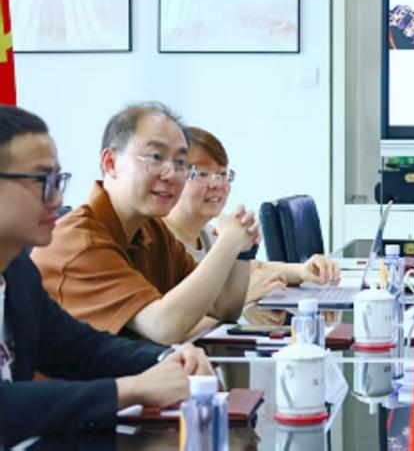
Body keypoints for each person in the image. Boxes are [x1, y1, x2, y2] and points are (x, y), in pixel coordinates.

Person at [0, 105, 214, 446]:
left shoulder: (18, 273)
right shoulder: (78, 240)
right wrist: (130, 389)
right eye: (41, 181)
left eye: (58, 181)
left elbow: (80, 349)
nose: (57, 198)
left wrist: (165, 359)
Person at [32, 103, 257, 345]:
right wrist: (228, 241)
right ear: (110, 163)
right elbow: (165, 327)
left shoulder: (152, 229)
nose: (170, 174)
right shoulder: (79, 241)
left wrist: (241, 251)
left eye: (181, 162)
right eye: (155, 157)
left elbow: (223, 308)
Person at [163, 126, 340, 304]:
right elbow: (173, 316)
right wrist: (241, 298)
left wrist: (302, 270)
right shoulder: (159, 242)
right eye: (202, 174)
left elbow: (256, 266)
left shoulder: (207, 234)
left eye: (222, 174)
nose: (217, 184)